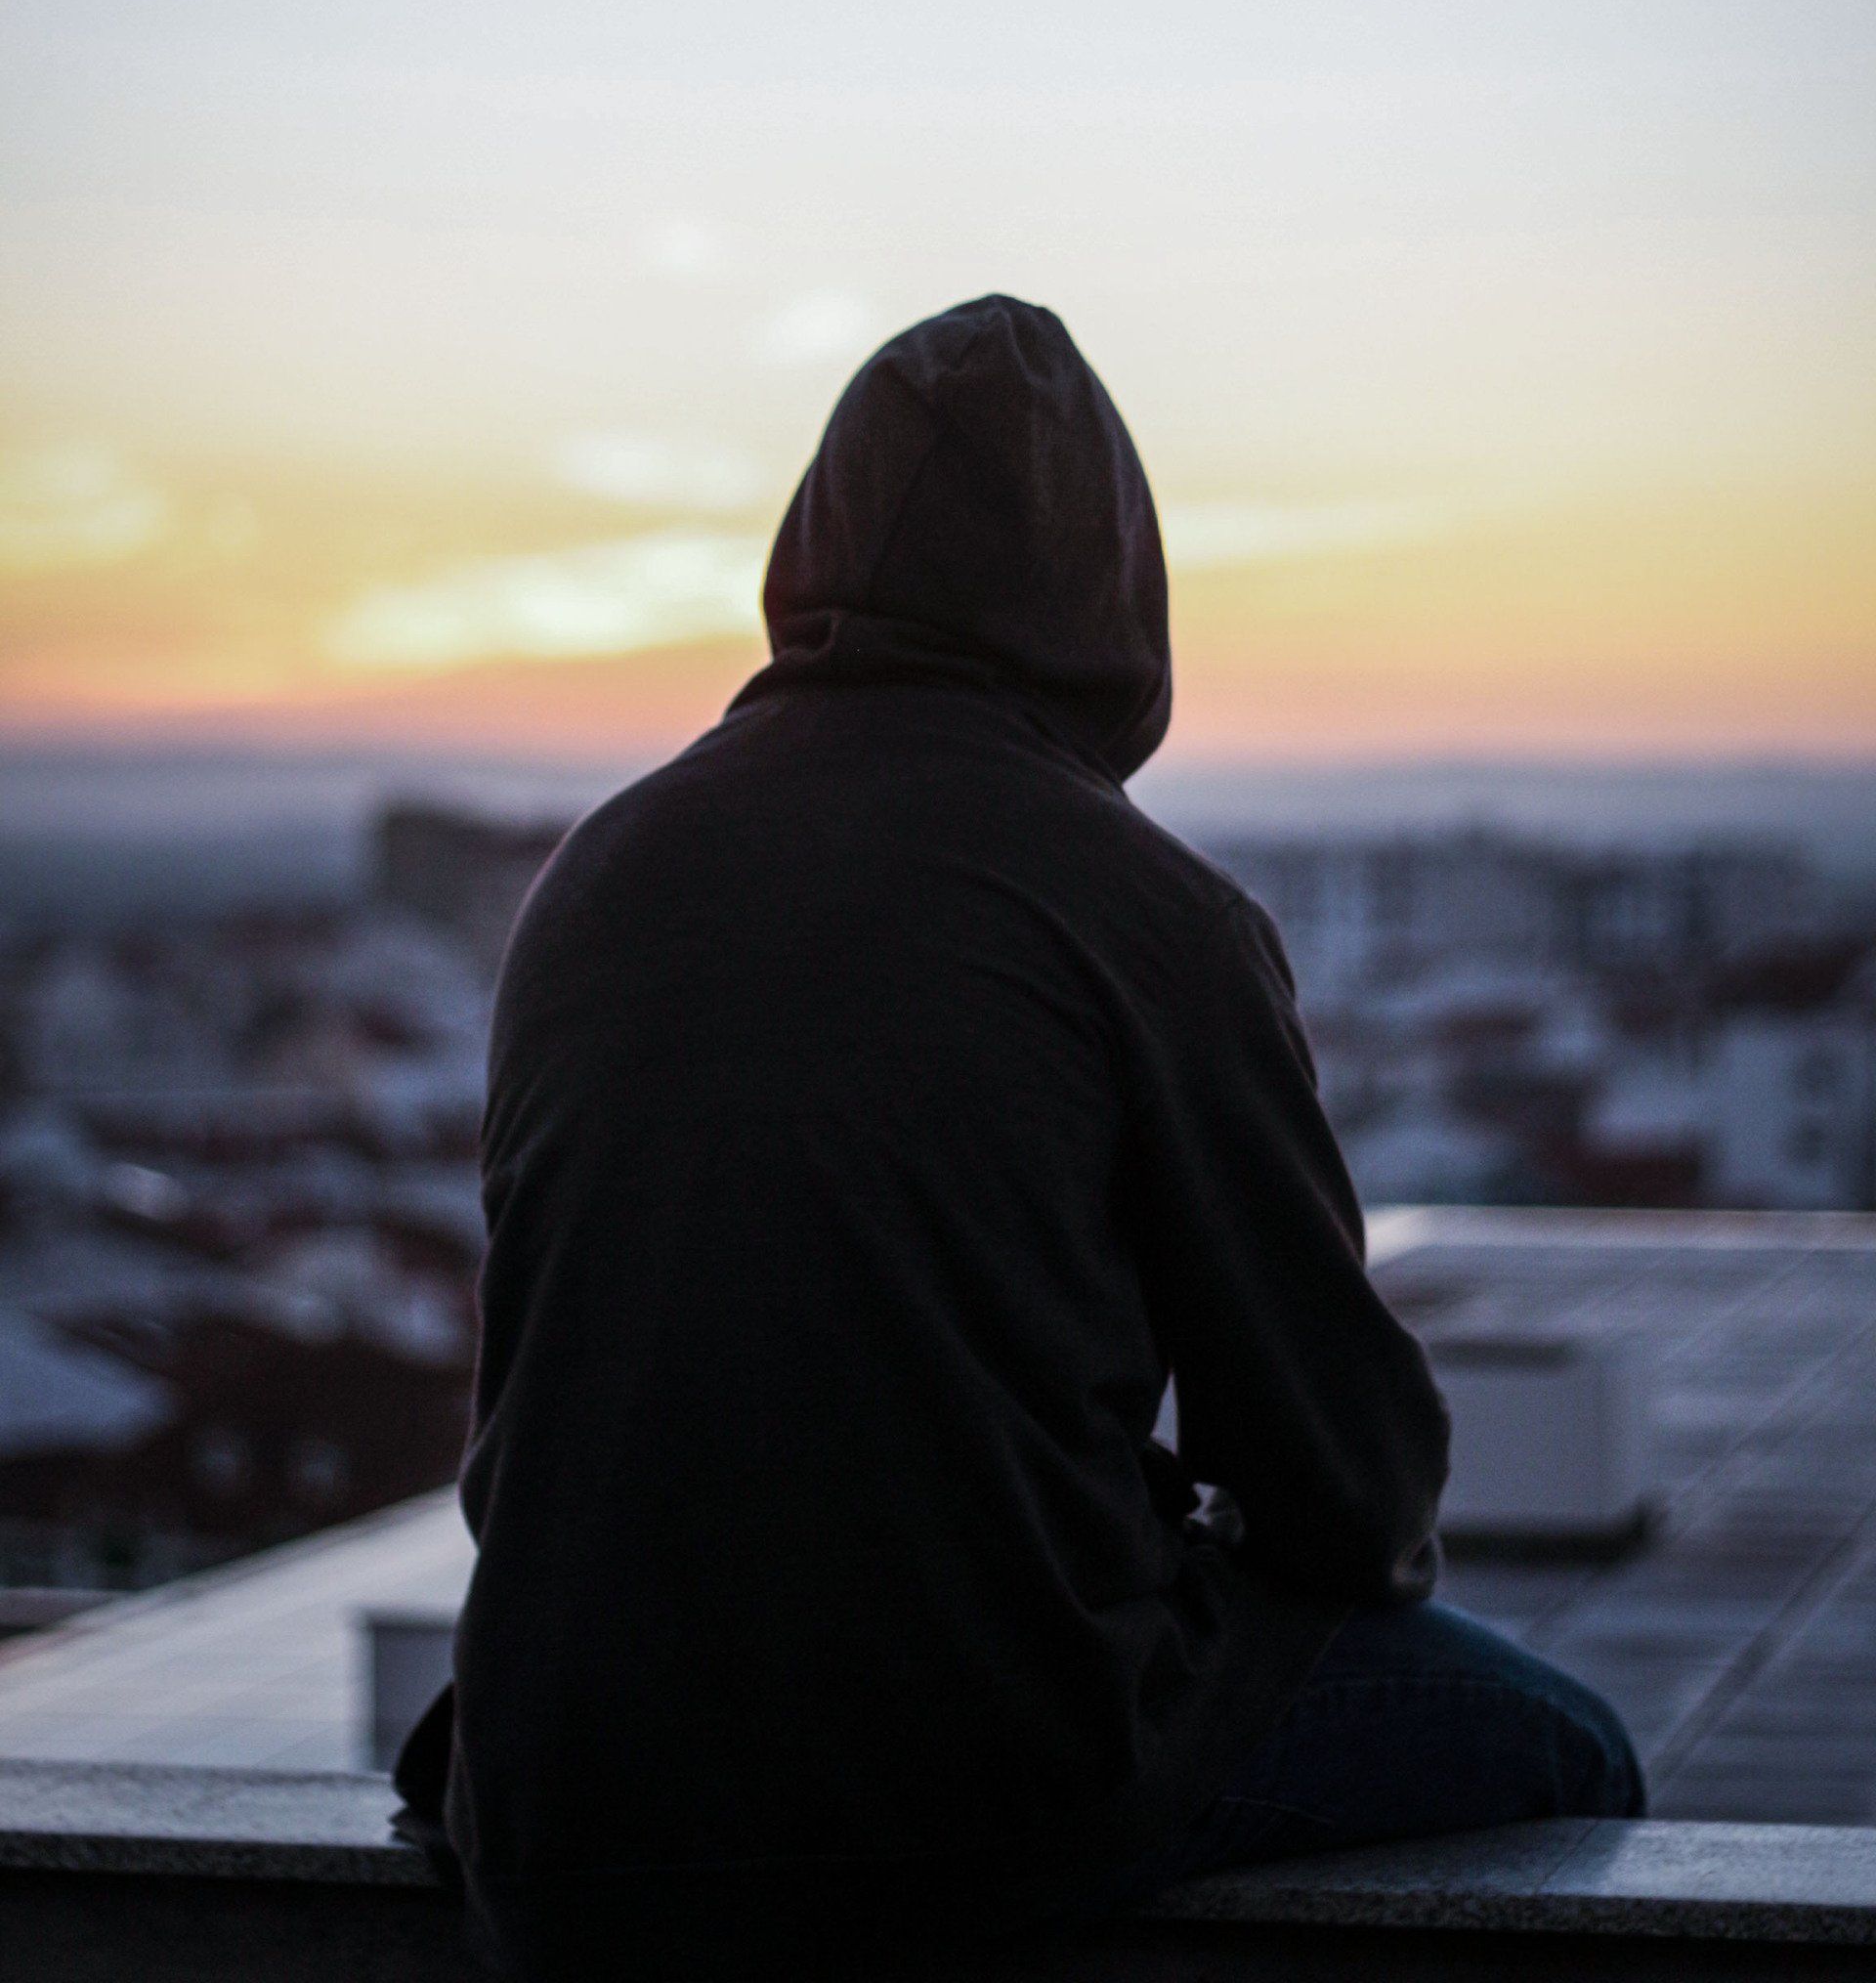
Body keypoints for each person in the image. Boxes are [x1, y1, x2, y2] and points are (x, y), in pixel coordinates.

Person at [403, 294, 1642, 1977]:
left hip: (562, 1801)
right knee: (1571, 1763)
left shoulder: (594, 878)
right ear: (1112, 594)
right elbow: (1342, 1481)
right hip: (963, 1794)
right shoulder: (1144, 914)